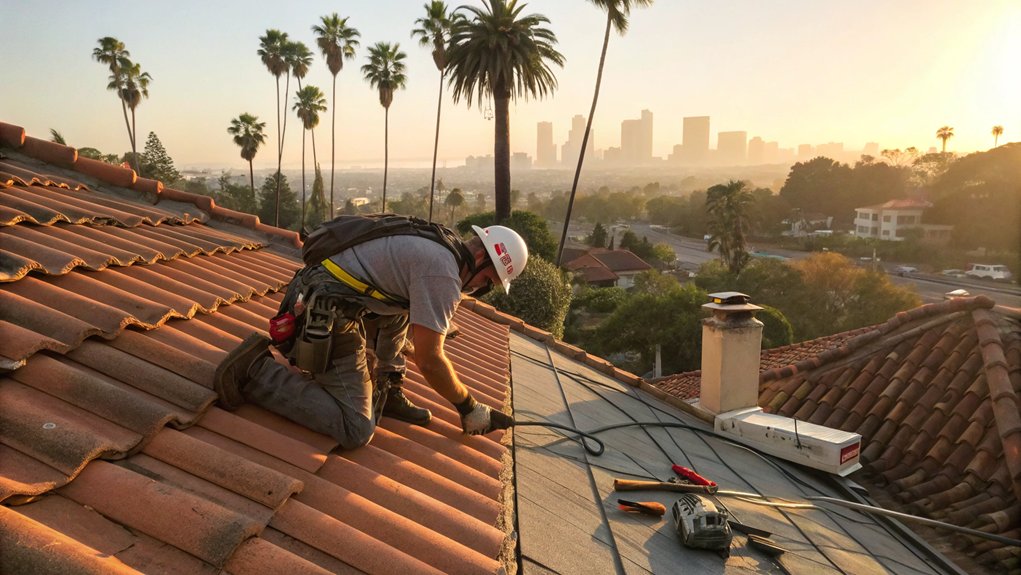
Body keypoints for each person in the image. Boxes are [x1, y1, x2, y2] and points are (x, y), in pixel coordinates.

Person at [213, 221, 527, 449]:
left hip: (324, 296)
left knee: (404, 308)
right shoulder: (441, 272)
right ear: (483, 258)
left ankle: (388, 389)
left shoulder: (440, 243)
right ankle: (256, 372)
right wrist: (469, 406)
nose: (481, 289)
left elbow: (404, 319)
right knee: (356, 428)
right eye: (488, 281)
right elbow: (431, 360)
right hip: (321, 313)